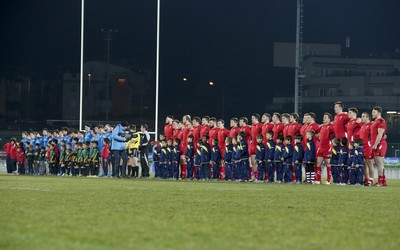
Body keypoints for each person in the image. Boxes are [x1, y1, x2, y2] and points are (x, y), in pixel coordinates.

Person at [315, 113, 335, 185]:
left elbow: (335, 133)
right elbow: (316, 132)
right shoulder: (322, 127)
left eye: (325, 117)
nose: (324, 118)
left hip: (327, 147)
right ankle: (318, 180)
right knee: (318, 163)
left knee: (328, 163)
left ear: (329, 119)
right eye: (323, 117)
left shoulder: (330, 127)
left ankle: (328, 180)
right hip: (321, 147)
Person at [371, 106, 387, 186]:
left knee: (379, 163)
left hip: (380, 144)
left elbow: (380, 134)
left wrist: (375, 144)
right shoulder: (376, 121)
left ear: (379, 113)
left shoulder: (380, 121)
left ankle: (380, 182)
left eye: (374, 112)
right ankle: (383, 181)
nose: (372, 113)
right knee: (379, 163)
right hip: (378, 143)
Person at [359, 112, 374, 186]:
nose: (361, 118)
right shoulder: (362, 126)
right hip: (362, 147)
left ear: (368, 118)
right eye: (361, 116)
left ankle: (371, 180)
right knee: (364, 164)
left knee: (370, 164)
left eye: (363, 116)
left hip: (368, 147)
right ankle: (366, 179)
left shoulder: (371, 125)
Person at [250, 113, 262, 180]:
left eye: (253, 118)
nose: (252, 119)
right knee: (252, 162)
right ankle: (255, 176)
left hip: (258, 146)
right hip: (252, 146)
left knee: (257, 162)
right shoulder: (252, 126)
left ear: (256, 118)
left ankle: (260, 176)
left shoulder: (260, 125)